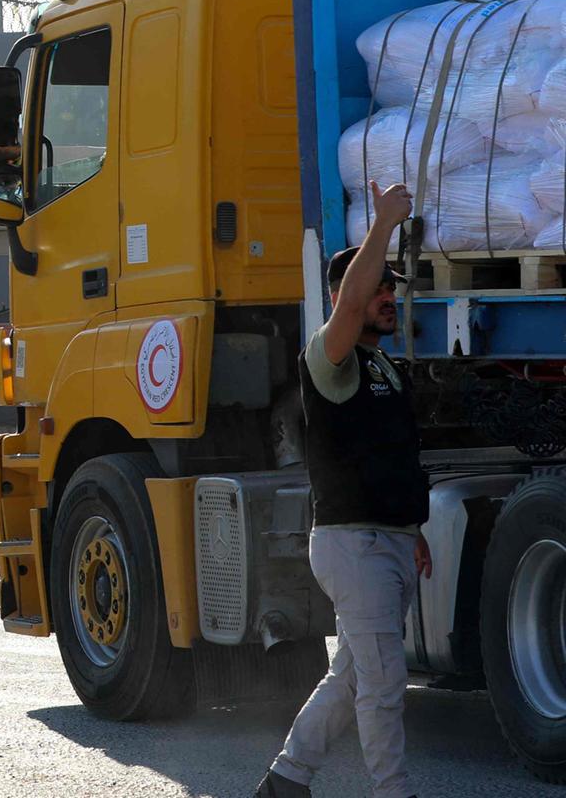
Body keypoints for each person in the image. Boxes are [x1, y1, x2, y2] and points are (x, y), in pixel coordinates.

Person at [257, 180, 430, 798]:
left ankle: (286, 779)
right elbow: (351, 309)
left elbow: (396, 455)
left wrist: (414, 530)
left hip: (387, 542)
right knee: (384, 686)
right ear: (344, 297)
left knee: (354, 678)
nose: (389, 298)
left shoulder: (384, 366)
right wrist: (382, 225)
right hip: (353, 546)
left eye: (392, 288)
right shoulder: (328, 360)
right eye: (379, 287)